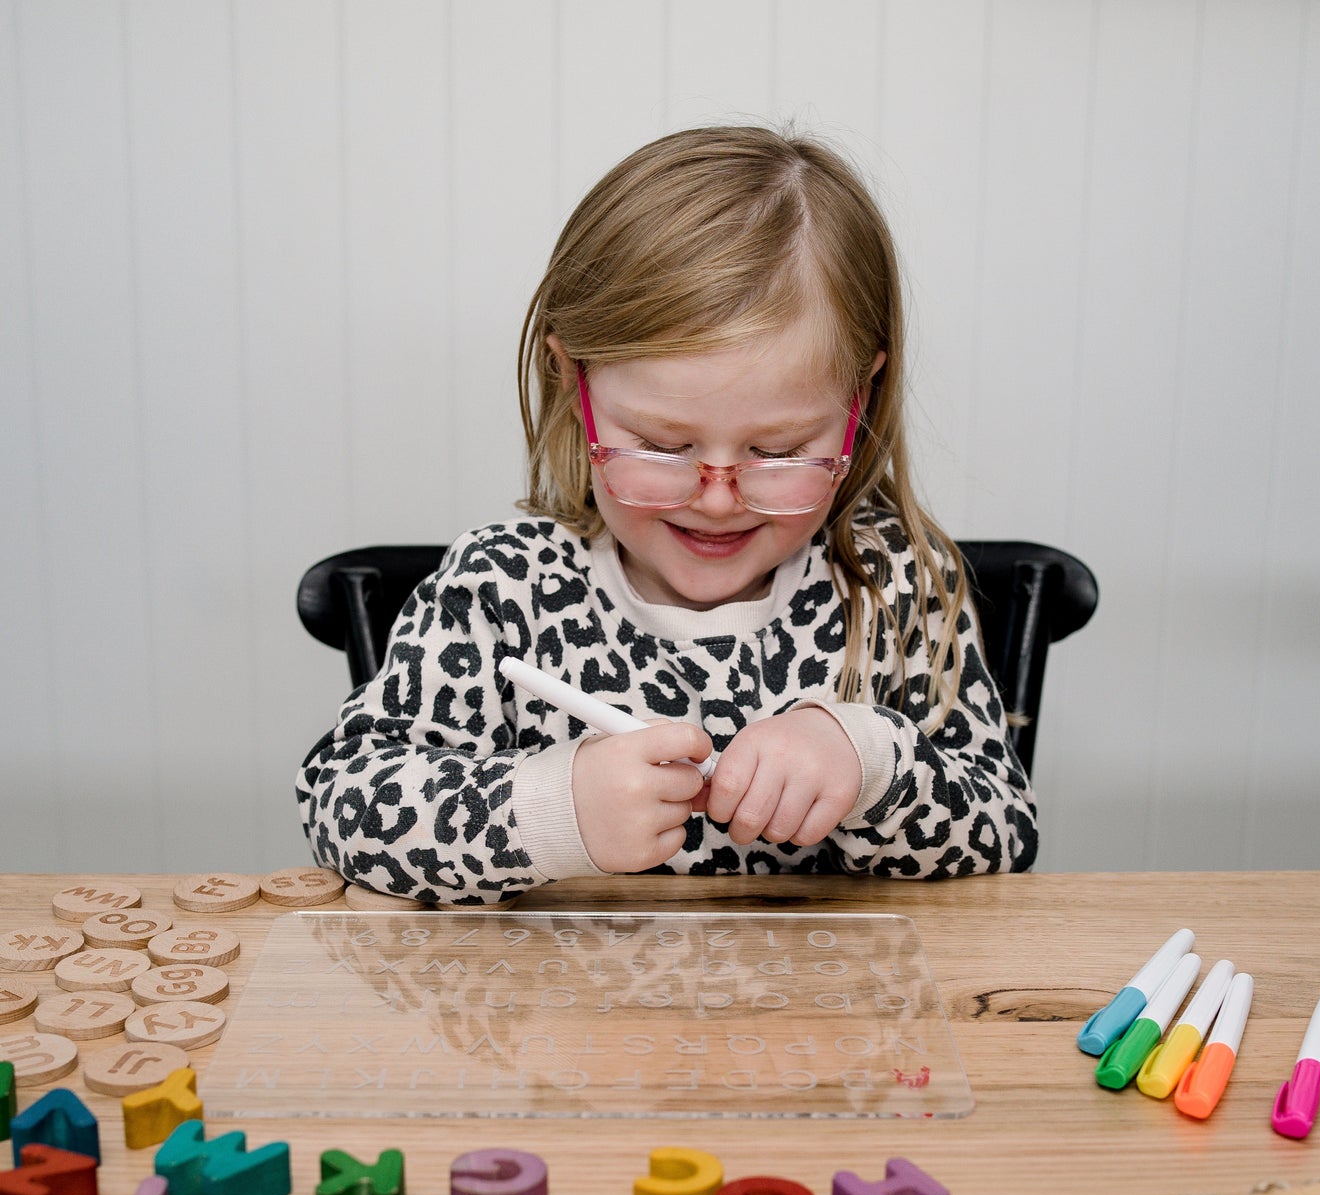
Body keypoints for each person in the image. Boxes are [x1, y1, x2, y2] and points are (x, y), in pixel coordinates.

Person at [296, 124, 1037, 904]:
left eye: (779, 449)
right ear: (571, 384)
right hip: (562, 1020)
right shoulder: (501, 588)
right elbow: (343, 801)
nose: (716, 498)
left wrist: (868, 758)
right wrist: (554, 810)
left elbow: (1004, 832)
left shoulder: (893, 583)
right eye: (659, 443)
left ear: (860, 399)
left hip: (828, 1024)